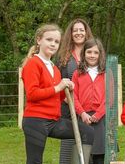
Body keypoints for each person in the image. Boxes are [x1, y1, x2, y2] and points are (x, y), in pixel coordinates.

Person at [21, 24, 93, 164]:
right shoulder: (32, 64)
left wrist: (68, 92)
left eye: (56, 42)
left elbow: (58, 96)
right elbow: (32, 94)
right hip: (35, 121)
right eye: (49, 40)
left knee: (87, 132)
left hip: (54, 121)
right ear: (39, 40)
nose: (53, 44)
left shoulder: (55, 68)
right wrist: (58, 87)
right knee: (35, 161)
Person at [56, 18, 94, 164]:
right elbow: (58, 82)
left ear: (86, 33)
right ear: (70, 34)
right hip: (69, 107)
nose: (78, 33)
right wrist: (70, 101)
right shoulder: (63, 57)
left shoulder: (92, 53)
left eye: (81, 30)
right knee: (69, 146)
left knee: (90, 147)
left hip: (90, 110)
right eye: (75, 30)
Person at [72, 38, 107, 164]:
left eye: (96, 53)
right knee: (84, 154)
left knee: (100, 155)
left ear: (100, 54)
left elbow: (110, 98)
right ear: (84, 53)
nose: (92, 55)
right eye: (89, 52)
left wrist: (98, 114)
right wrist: (82, 113)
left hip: (101, 118)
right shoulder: (77, 73)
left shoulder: (106, 73)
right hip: (83, 117)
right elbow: (73, 97)